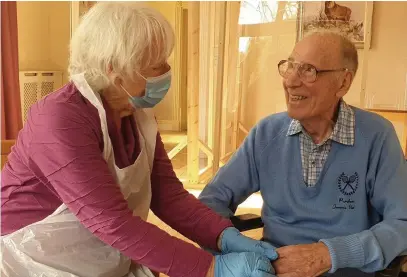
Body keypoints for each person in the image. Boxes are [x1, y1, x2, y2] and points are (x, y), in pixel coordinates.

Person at [0, 2, 279, 277]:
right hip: (31, 257)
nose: (167, 70)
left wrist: (223, 235)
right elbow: (111, 221)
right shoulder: (59, 118)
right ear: (114, 69)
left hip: (93, 250)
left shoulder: (137, 114)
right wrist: (211, 268)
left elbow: (168, 196)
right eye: (156, 64)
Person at [199, 31, 407, 277]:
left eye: (308, 70)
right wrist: (235, 250)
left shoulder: (377, 136)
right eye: (289, 67)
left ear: (343, 83)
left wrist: (327, 255)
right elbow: (210, 202)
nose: (290, 81)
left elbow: (401, 223)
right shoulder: (267, 133)